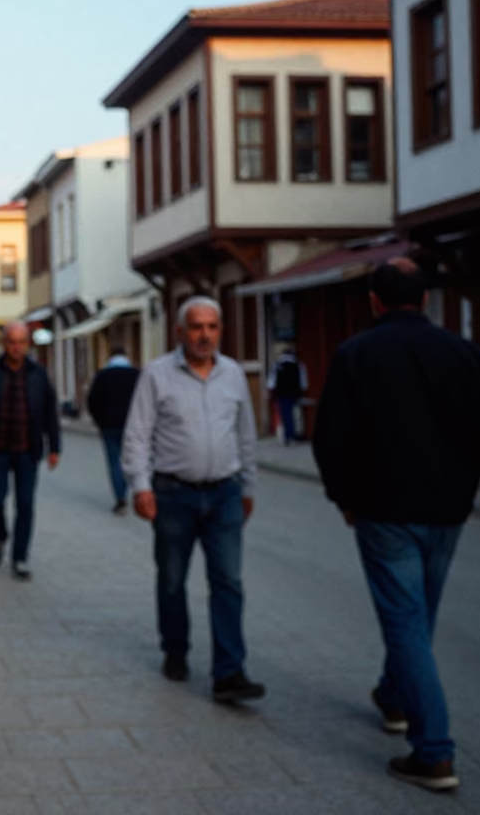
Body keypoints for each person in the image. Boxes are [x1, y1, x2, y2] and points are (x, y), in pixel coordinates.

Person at [312, 259, 480, 792]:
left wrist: (343, 496)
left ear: (374, 301)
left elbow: (330, 437)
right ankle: (395, 697)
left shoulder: (356, 355)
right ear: (425, 300)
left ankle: (434, 751)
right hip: (447, 510)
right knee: (419, 617)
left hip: (384, 509)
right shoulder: (465, 355)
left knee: (406, 623)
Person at [121, 296, 264, 703]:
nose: (205, 335)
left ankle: (229, 671)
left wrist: (248, 486)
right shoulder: (157, 375)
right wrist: (141, 485)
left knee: (229, 582)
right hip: (173, 494)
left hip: (224, 493)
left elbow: (246, 434)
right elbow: (137, 433)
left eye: (212, 327)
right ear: (180, 331)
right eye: (197, 327)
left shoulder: (233, 374)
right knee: (171, 579)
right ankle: (175, 649)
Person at [0, 322, 60, 580]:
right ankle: (0, 535)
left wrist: (55, 447)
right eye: (11, 342)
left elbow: (50, 411)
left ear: (27, 344)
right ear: (4, 344)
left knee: (25, 504)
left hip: (27, 450)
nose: (16, 347)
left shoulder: (38, 373)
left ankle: (20, 557)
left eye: (21, 342)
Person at [86, 346, 141, 515]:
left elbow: (92, 401)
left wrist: (99, 421)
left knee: (114, 463)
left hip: (109, 426)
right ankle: (137, 490)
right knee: (131, 461)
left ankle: (120, 498)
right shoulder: (136, 375)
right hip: (132, 426)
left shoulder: (102, 376)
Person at [267, 346, 308, 444]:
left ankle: (288, 436)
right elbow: (304, 382)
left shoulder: (278, 364)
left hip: (282, 393)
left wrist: (271, 391)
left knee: (286, 414)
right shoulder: (298, 364)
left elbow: (271, 382)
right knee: (296, 414)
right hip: (295, 392)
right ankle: (296, 434)